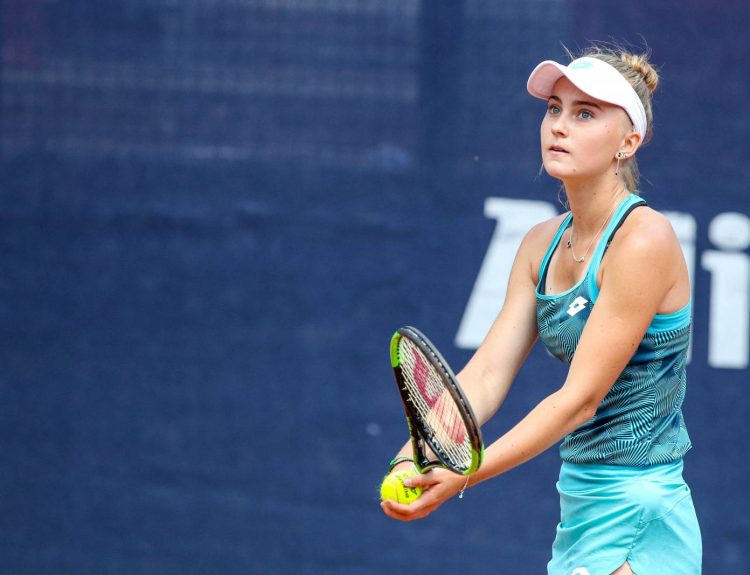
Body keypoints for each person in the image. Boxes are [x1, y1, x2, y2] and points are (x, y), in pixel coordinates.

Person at [380, 44, 702, 575]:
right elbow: (485, 376)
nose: (559, 126)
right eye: (554, 109)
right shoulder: (539, 245)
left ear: (628, 142)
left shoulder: (644, 240)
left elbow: (580, 401)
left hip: (641, 508)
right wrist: (412, 455)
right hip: (580, 504)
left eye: (585, 114)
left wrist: (464, 475)